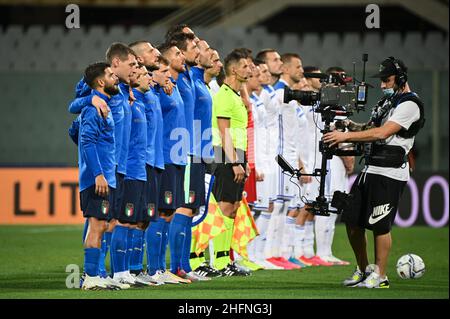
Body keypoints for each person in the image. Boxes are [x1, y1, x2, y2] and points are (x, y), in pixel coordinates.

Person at [323, 57, 424, 288]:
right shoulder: (387, 102)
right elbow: (371, 127)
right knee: (352, 220)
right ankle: (363, 269)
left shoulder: (410, 104)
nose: (382, 85)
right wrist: (350, 125)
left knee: (380, 224)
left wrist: (345, 137)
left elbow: (383, 133)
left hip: (390, 172)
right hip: (370, 168)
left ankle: (381, 275)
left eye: (386, 80)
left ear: (400, 79)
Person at [78, 62, 123, 290]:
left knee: (104, 225)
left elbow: (75, 133)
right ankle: (90, 277)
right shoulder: (92, 108)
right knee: (96, 226)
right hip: (97, 179)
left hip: (107, 177)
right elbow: (87, 142)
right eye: (110, 74)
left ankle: (96, 275)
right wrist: (97, 174)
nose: (115, 77)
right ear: (100, 81)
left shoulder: (103, 105)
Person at [210, 49, 252, 276]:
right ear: (234, 69)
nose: (250, 69)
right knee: (225, 207)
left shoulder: (234, 95)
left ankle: (225, 260)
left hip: (236, 154)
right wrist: (235, 162)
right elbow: (223, 132)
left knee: (234, 208)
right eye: (245, 66)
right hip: (226, 155)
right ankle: (218, 261)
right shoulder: (224, 96)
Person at [154, 42, 192, 284]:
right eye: (164, 69)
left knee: (168, 214)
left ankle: (164, 268)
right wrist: (158, 80)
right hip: (165, 156)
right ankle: (155, 269)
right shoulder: (157, 88)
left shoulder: (174, 86)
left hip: (178, 157)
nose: (168, 75)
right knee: (160, 213)